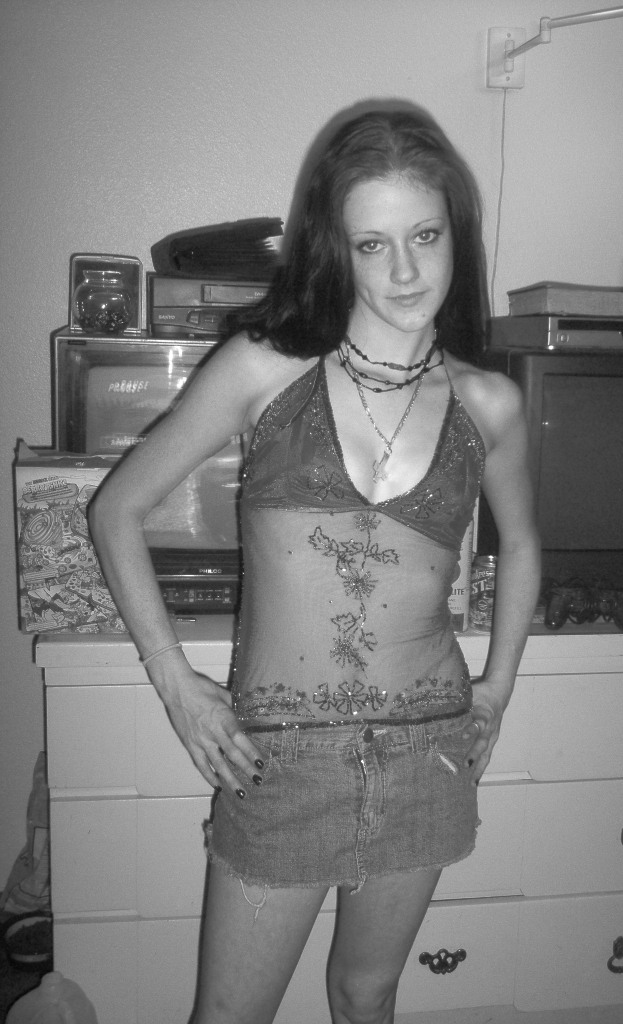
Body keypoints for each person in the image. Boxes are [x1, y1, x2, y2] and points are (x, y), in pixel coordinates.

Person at [88, 104, 541, 1024]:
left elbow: (525, 542)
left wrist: (497, 688)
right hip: (280, 761)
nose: (405, 271)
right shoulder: (265, 369)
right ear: (337, 249)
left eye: (424, 236)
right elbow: (116, 510)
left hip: (427, 752)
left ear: (457, 235)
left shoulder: (488, 403)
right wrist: (175, 683)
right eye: (373, 245)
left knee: (366, 995)